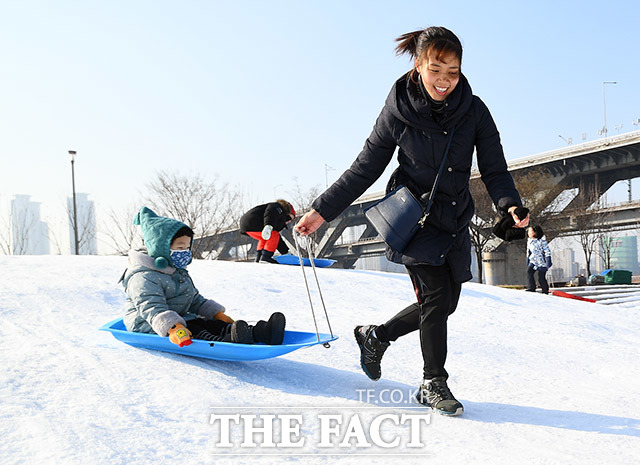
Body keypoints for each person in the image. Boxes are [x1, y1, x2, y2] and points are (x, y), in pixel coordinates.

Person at [295, 27, 529, 416]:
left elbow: (494, 168)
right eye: (436, 69)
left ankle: (376, 335)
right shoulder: (398, 111)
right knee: (436, 297)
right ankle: (432, 382)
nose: (444, 80)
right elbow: (365, 167)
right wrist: (322, 210)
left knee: (446, 303)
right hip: (416, 221)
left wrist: (510, 205)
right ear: (418, 65)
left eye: (453, 72)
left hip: (454, 219)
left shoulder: (474, 111)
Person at [121, 206, 286, 346]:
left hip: (181, 318)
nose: (184, 253)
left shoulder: (177, 271)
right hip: (148, 323)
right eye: (179, 248)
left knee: (208, 323)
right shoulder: (142, 277)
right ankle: (227, 341)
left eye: (187, 248)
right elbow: (151, 307)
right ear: (161, 248)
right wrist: (172, 327)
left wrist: (216, 314)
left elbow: (193, 300)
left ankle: (261, 333)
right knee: (197, 329)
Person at [526, 225, 552, 294]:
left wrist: (548, 261)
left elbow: (547, 251)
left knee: (541, 278)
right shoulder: (529, 241)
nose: (528, 233)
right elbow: (528, 251)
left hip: (542, 262)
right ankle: (531, 288)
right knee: (529, 272)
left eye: (530, 231)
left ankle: (545, 290)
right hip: (533, 261)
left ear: (535, 232)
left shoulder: (542, 241)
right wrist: (528, 260)